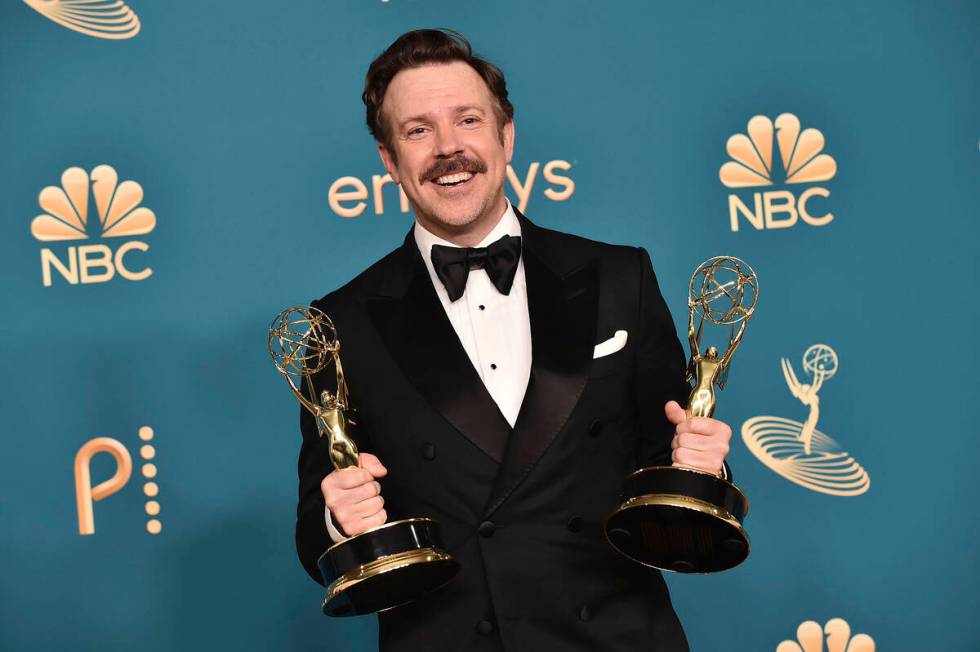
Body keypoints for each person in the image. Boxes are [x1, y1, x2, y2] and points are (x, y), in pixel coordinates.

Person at [295, 29, 733, 651]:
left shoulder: (618, 278)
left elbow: (665, 467)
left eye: (467, 120)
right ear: (389, 161)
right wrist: (342, 519)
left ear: (506, 137)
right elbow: (313, 536)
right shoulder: (339, 324)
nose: (449, 148)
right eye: (418, 130)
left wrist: (697, 467)